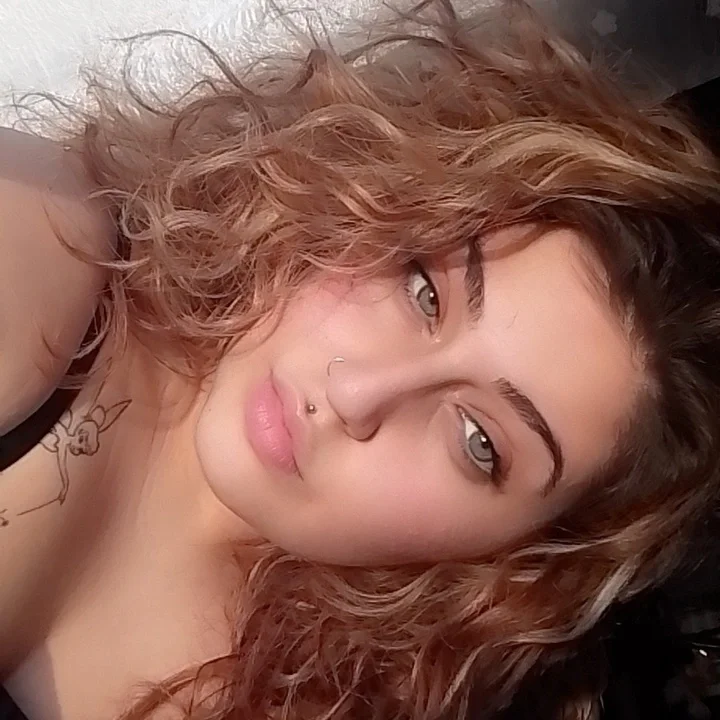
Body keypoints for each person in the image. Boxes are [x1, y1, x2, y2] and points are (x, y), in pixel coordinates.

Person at [1, 1, 720, 718]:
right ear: (379, 200)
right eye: (423, 292)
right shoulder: (50, 259)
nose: (357, 393)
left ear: (515, 560)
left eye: (479, 441)